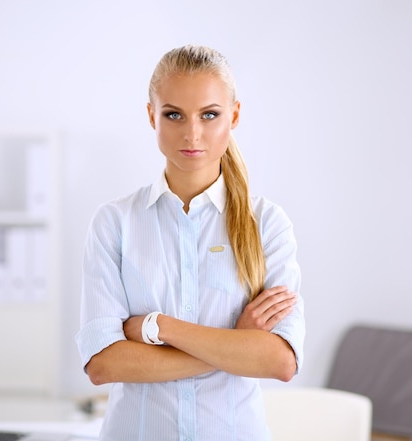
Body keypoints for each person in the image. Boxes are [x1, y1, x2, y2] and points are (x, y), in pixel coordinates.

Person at [75, 44, 305, 441]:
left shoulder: (268, 224)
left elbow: (280, 361)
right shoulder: (114, 223)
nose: (192, 133)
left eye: (210, 115)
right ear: (152, 116)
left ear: (233, 115)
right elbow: (103, 364)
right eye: (174, 115)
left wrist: (159, 327)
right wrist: (234, 342)